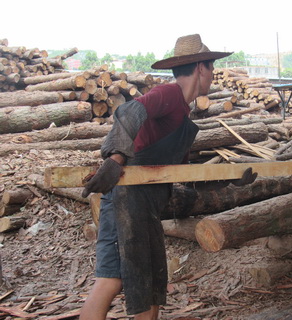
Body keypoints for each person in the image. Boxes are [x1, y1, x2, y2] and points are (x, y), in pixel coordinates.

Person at [79, 34, 257, 320]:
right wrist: (116, 159)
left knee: (151, 284)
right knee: (113, 279)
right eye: (211, 68)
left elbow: (181, 174)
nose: (213, 75)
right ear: (201, 67)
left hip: (145, 204)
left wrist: (229, 179)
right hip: (126, 197)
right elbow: (129, 110)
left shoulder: (182, 113)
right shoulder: (170, 94)